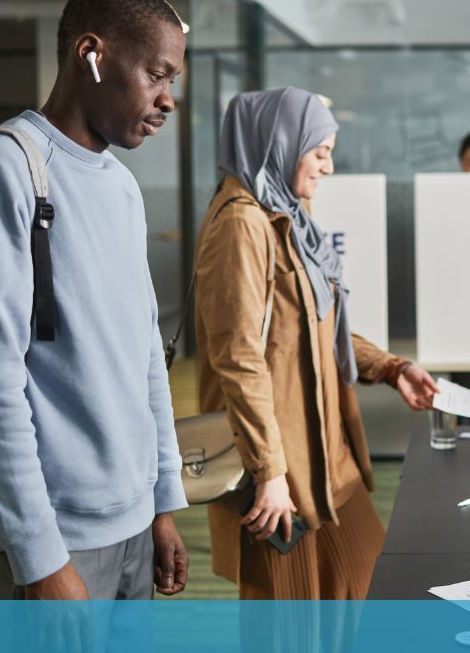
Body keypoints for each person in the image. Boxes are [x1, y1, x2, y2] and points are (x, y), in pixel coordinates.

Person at [0, 0, 189, 599]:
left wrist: (161, 503)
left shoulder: (122, 186)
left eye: (173, 82)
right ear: (92, 54)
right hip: (54, 539)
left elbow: (144, 362)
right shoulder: (5, 167)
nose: (168, 99)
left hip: (133, 527)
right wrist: (41, 558)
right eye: (157, 75)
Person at [194, 87, 438, 599]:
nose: (328, 167)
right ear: (280, 143)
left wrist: (392, 368)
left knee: (366, 589)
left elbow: (319, 326)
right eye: (320, 151)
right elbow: (238, 360)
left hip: (327, 457)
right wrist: (269, 472)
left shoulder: (287, 220)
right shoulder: (242, 224)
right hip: (281, 469)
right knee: (293, 625)